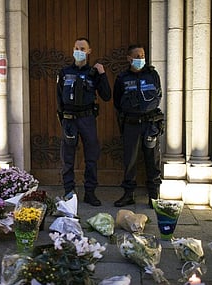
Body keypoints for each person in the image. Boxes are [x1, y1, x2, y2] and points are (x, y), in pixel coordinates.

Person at [56, 37, 111, 206]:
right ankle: (69, 192)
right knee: (68, 158)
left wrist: (102, 74)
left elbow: (107, 96)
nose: (79, 51)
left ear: (89, 51)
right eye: (76, 47)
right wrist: (63, 119)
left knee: (91, 158)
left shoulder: (93, 73)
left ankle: (90, 192)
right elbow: (59, 99)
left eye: (82, 48)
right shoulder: (64, 72)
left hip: (87, 119)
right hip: (69, 120)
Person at [113, 44, 164, 208]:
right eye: (137, 56)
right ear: (129, 58)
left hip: (150, 124)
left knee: (152, 160)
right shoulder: (122, 78)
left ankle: (154, 196)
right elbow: (117, 101)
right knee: (130, 161)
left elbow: (159, 94)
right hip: (131, 125)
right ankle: (128, 195)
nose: (141, 59)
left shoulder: (152, 74)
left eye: (142, 56)